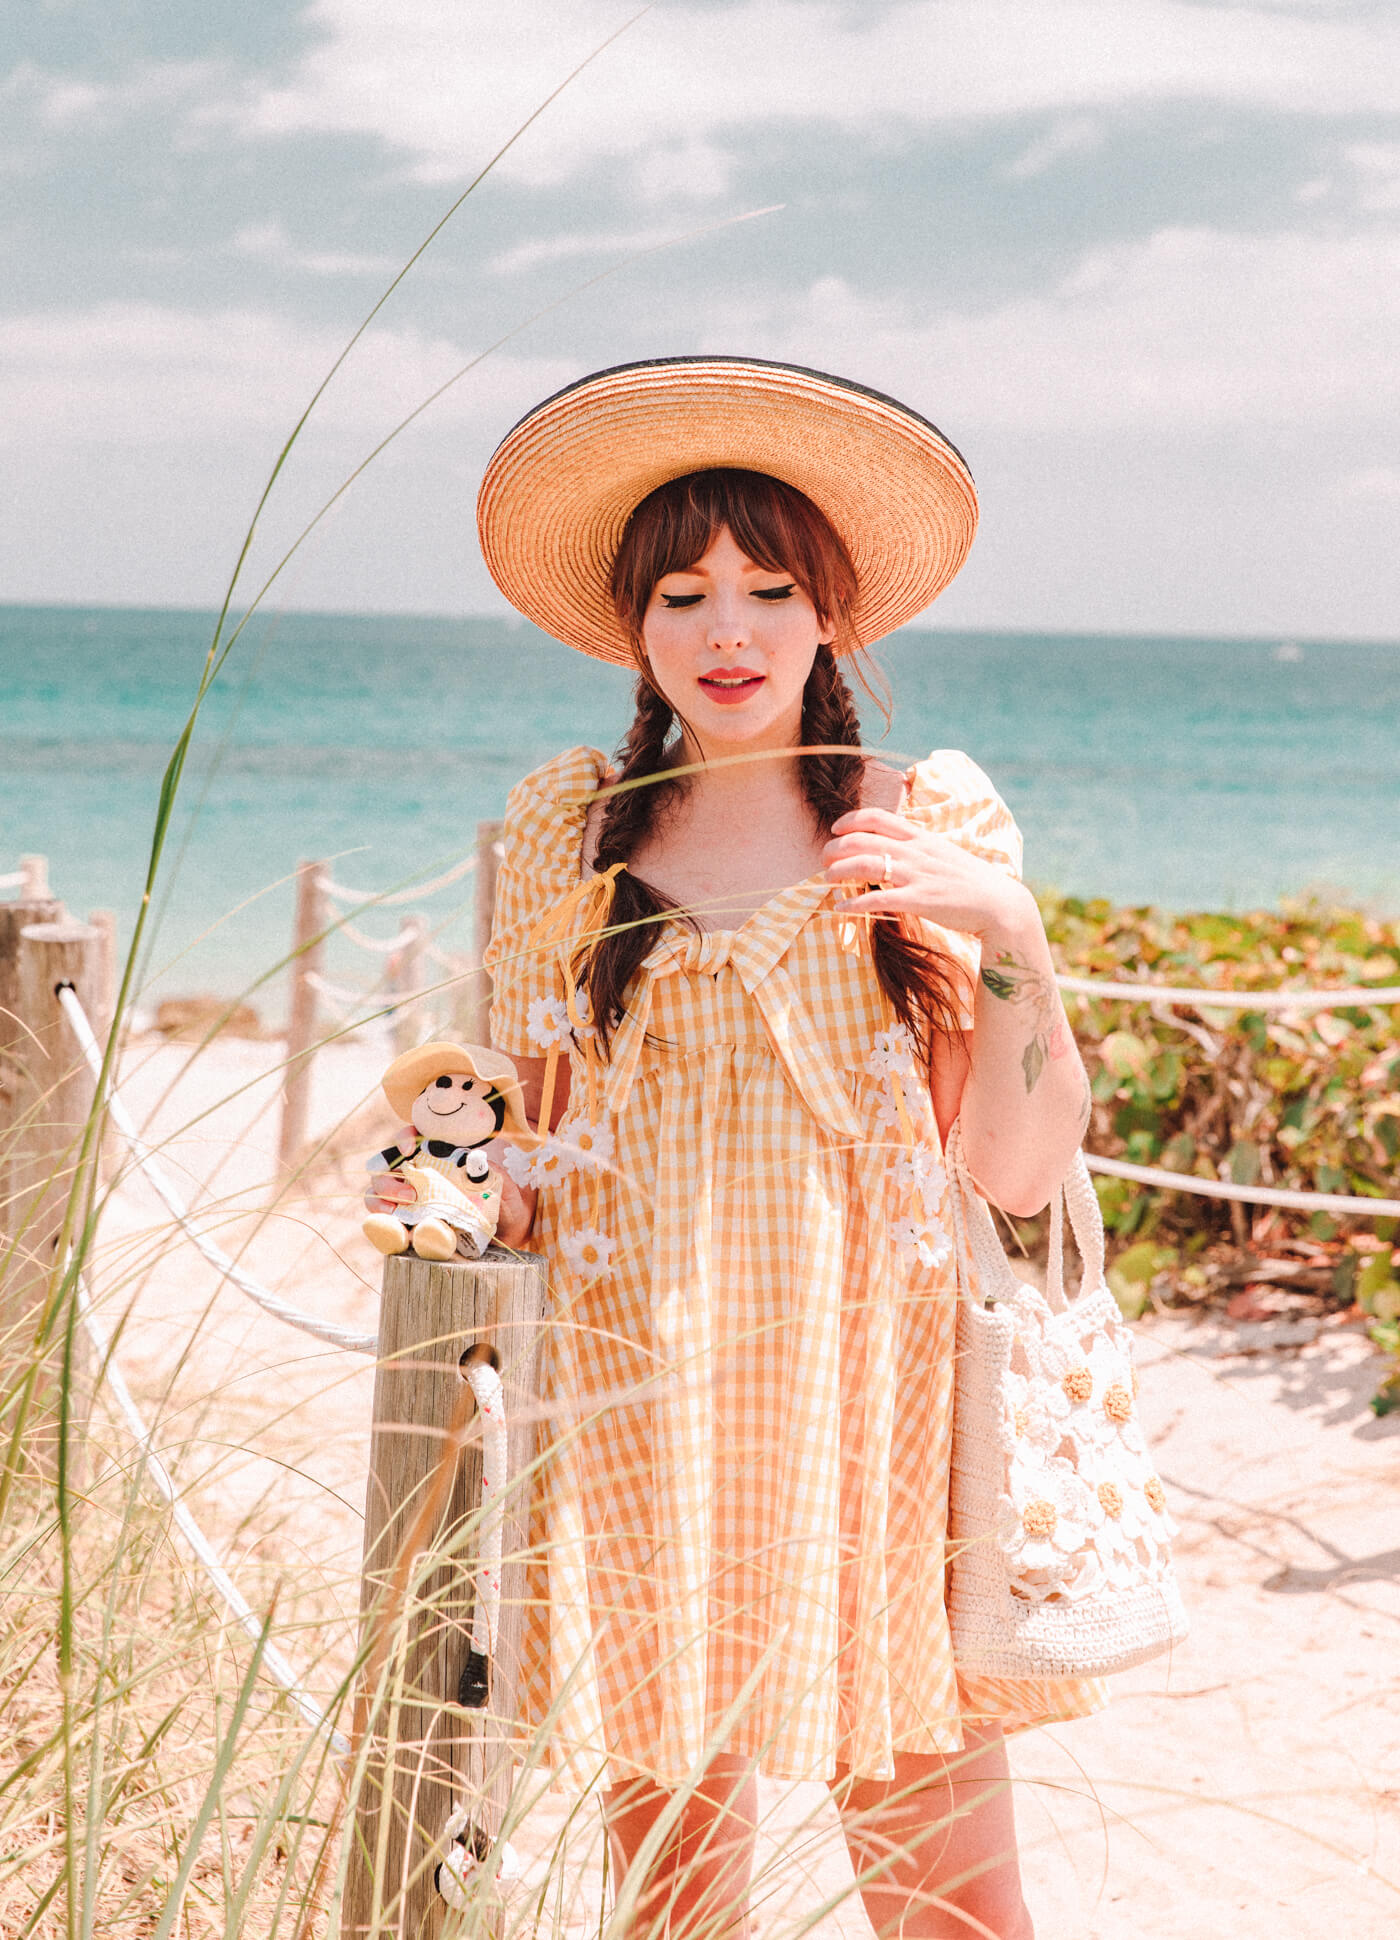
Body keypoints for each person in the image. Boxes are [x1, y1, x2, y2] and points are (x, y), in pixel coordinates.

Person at [369, 359, 1101, 1940]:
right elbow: (529, 1144)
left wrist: (1017, 942)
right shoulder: (578, 824)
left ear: (830, 612)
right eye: (685, 593)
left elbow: (1022, 1171)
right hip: (644, 1412)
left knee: (953, 1898)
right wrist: (422, 1166)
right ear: (633, 623)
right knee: (676, 1899)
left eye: (772, 588)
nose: (729, 630)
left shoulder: (923, 822)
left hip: (882, 1417)